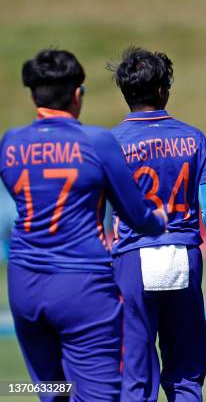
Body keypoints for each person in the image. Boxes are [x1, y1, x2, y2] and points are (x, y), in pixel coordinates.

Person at [0, 49, 167, 401]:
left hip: (23, 284)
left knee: (54, 390)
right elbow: (136, 216)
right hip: (82, 287)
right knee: (97, 395)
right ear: (77, 94)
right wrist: (158, 221)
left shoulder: (11, 142)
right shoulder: (96, 141)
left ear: (33, 95)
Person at [108, 47, 206, 402]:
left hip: (132, 259)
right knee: (186, 377)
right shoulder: (194, 138)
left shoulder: (108, 144)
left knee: (136, 379)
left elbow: (100, 216)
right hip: (183, 255)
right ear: (164, 90)